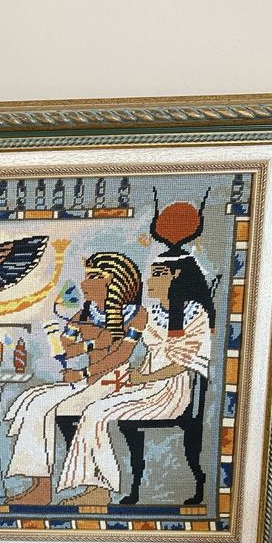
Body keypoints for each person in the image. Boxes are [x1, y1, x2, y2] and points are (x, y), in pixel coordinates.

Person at [58, 196, 215, 506]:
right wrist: (134, 371)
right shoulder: (151, 314)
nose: (149, 280)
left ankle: (101, 487)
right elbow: (133, 347)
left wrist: (144, 378)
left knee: (96, 412)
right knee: (90, 408)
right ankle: (94, 485)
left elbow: (183, 364)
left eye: (158, 274)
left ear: (175, 277)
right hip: (145, 383)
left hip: (171, 390)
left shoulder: (195, 313)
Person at [4, 253, 144, 505]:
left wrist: (83, 372)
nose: (83, 283)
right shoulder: (83, 314)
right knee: (34, 401)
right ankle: (40, 485)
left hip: (115, 381)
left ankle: (99, 488)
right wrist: (91, 345)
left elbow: (121, 355)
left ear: (113, 282)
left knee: (74, 410)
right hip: (87, 381)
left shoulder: (136, 314)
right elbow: (65, 349)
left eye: (92, 277)